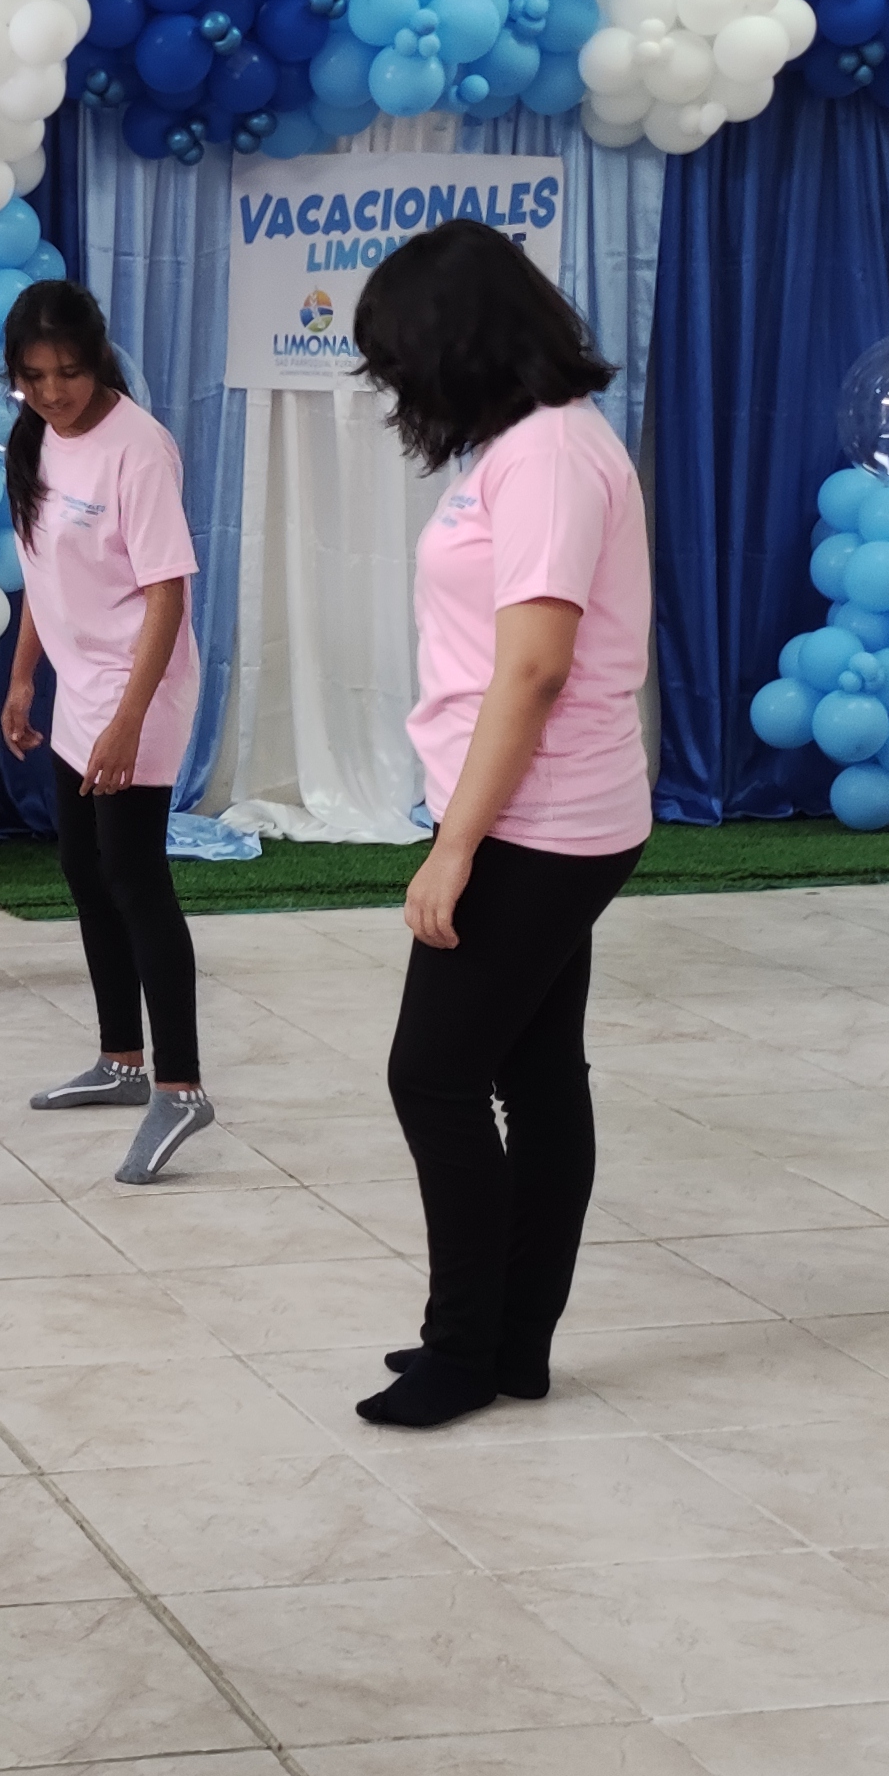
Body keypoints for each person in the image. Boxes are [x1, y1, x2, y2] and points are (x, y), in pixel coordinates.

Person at [344, 224, 652, 1430]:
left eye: (400, 362)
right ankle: (511, 1341)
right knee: (532, 1072)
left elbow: (532, 667)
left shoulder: (550, 458)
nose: (397, 390)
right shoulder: (527, 448)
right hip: (543, 810)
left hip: (540, 820)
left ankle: (464, 1347)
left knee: (431, 1076)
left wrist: (455, 846)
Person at [0, 283, 214, 1183]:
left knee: (134, 877)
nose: (53, 392)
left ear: (99, 359)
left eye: (70, 373)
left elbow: (167, 595)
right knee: (84, 869)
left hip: (140, 690)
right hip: (79, 688)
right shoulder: (36, 439)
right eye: (34, 377)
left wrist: (128, 720)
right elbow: (44, 576)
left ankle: (181, 1085)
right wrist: (21, 678)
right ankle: (121, 1059)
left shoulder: (139, 448)